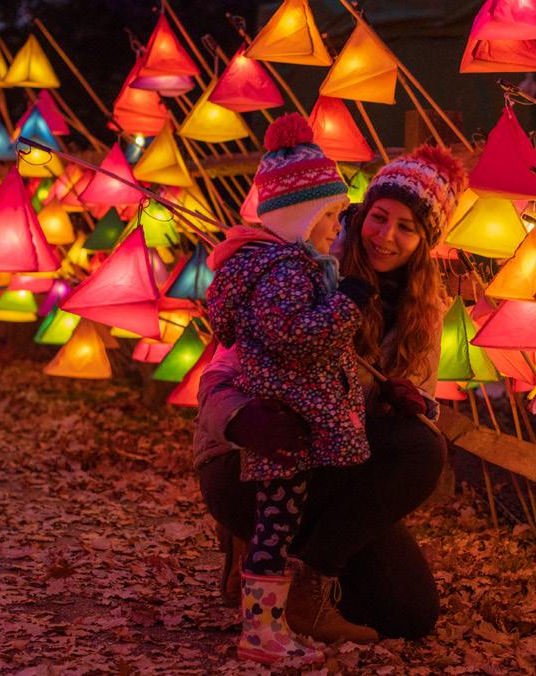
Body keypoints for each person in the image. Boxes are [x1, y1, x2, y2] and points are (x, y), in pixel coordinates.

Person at [194, 143, 466, 648]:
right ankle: (257, 548)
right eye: (379, 217)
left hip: (336, 469)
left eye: (407, 227)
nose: (386, 236)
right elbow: (218, 375)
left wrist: (409, 401)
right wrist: (242, 418)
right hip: (256, 457)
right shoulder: (308, 265)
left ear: (425, 241)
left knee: (410, 613)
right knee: (418, 449)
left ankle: (308, 577)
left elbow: (418, 411)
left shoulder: (423, 312)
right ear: (361, 213)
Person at [204, 113, 378, 665]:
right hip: (287, 421)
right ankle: (261, 634)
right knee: (275, 528)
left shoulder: (280, 267)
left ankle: (268, 626)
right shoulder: (286, 272)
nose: (338, 227)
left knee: (277, 526)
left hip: (291, 416)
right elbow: (298, 338)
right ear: (304, 217)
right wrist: (349, 301)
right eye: (331, 215)